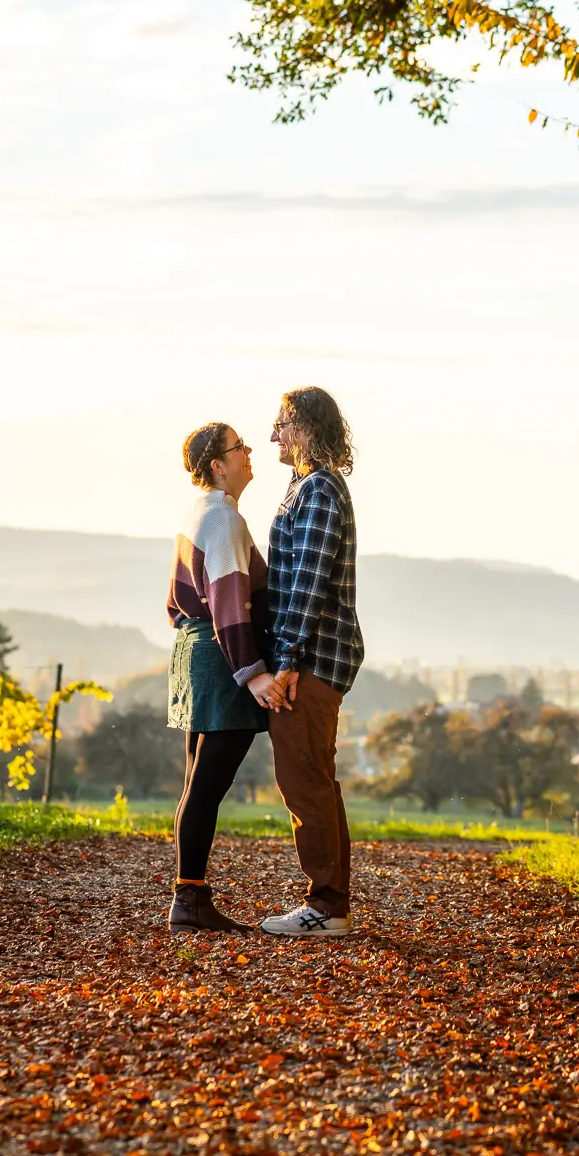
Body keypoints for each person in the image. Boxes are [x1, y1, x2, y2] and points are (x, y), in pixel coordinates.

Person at [166, 423, 281, 932]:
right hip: (221, 659)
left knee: (197, 785)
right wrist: (252, 673)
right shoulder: (221, 520)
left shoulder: (204, 513)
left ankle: (189, 896)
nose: (249, 451)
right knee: (206, 786)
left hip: (196, 653)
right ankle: (189, 902)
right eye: (239, 447)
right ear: (217, 463)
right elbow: (231, 604)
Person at [259, 387, 364, 938]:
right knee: (311, 778)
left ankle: (326, 907)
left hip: (314, 658)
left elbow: (308, 585)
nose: (272, 435)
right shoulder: (304, 486)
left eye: (280, 424)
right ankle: (329, 902)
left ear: (303, 427)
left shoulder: (319, 488)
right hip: (312, 655)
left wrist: (288, 659)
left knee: (305, 780)